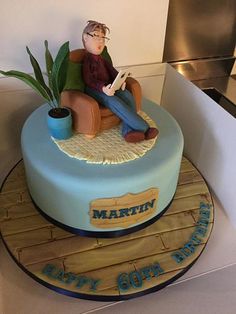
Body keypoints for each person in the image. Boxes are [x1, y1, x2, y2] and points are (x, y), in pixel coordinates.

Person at [82, 20, 158, 143]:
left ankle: (128, 132)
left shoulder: (102, 59)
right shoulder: (87, 59)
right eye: (96, 36)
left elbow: (112, 71)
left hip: (110, 86)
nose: (101, 40)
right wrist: (103, 88)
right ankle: (144, 128)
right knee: (115, 102)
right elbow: (89, 79)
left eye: (103, 37)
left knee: (128, 96)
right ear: (86, 38)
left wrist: (121, 80)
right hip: (94, 90)